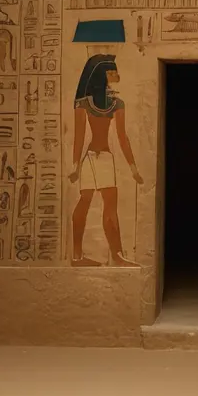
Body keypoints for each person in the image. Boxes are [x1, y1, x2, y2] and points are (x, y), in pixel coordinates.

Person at [68, 55, 142, 266]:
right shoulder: (84, 103)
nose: (116, 76)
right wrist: (75, 166)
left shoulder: (117, 103)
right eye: (111, 72)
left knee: (110, 206)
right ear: (101, 75)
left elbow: (122, 137)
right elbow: (79, 137)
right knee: (85, 202)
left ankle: (117, 255)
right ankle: (77, 256)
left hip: (106, 159)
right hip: (92, 158)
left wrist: (133, 168)